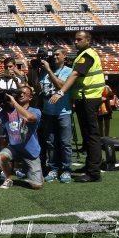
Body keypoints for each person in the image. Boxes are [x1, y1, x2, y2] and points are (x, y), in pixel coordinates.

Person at [49, 31, 105, 183]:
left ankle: (93, 172)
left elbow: (74, 75)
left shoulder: (87, 55)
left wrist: (61, 92)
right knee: (87, 135)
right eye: (75, 39)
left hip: (89, 98)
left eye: (79, 39)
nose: (75, 41)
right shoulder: (82, 54)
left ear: (88, 40)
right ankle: (90, 166)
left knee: (92, 135)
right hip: (84, 98)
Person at [0, 85, 43, 190]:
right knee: (3, 155)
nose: (21, 94)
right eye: (19, 93)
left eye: (24, 93)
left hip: (31, 152)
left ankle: (27, 171)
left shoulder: (35, 111)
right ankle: (8, 178)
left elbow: (30, 118)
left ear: (30, 97)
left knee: (37, 186)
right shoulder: (7, 112)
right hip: (15, 148)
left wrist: (14, 103)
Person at [38, 47, 73, 184]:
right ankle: (53, 168)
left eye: (58, 55)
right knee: (50, 143)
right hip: (48, 112)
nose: (54, 57)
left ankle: (66, 170)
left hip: (63, 112)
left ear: (65, 56)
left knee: (65, 143)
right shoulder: (44, 72)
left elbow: (60, 85)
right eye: (53, 55)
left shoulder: (68, 71)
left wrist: (48, 70)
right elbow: (39, 90)